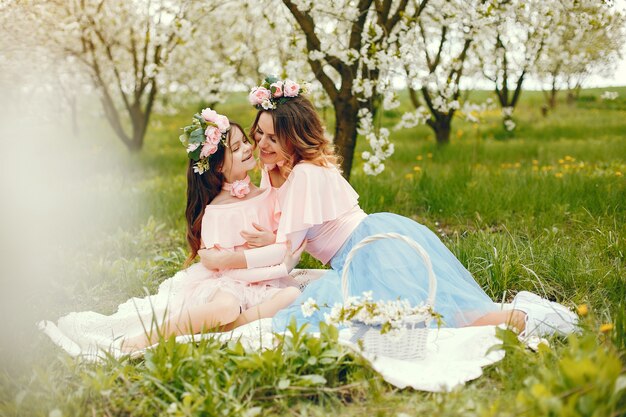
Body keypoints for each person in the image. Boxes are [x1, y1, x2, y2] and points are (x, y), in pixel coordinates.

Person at [200, 77, 578, 339]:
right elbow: (290, 235)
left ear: (295, 138)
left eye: (273, 137)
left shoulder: (304, 176)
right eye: (259, 133)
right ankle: (524, 317)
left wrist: (227, 261)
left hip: (371, 251)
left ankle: (531, 319)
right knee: (430, 317)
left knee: (438, 322)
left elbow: (286, 259)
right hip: (359, 252)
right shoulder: (274, 171)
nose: (262, 144)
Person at [40, 109, 302, 356]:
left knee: (293, 295)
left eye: (245, 141)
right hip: (231, 283)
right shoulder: (217, 211)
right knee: (226, 306)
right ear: (218, 167)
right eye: (236, 147)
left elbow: (286, 244)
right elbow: (220, 265)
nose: (248, 147)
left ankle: (231, 327)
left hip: (265, 280)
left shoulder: (268, 194)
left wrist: (272, 242)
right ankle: (151, 336)